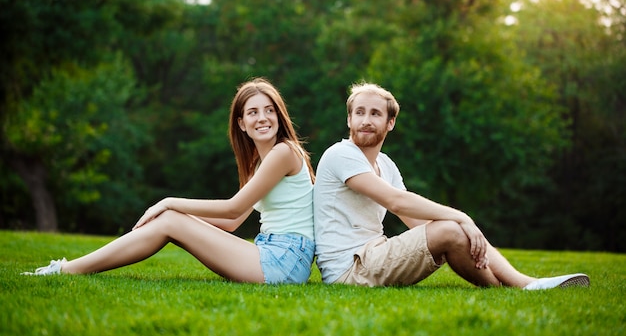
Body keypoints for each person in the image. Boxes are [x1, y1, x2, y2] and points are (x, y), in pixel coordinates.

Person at [23, 78, 316, 284]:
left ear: (280, 115)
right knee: (171, 220)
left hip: (285, 261)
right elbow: (233, 222)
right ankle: (68, 269)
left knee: (170, 219)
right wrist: (176, 216)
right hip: (275, 253)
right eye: (253, 112)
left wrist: (167, 203)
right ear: (241, 123)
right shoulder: (261, 162)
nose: (262, 118)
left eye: (269, 110)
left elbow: (231, 208)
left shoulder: (283, 153)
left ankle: (67, 269)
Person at [313, 81, 589, 290]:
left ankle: (525, 284)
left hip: (374, 254)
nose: (365, 120)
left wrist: (463, 230)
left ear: (390, 123)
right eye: (359, 113)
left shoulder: (386, 164)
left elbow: (415, 221)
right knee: (451, 226)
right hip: (349, 270)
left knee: (451, 229)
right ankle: (517, 288)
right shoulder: (341, 154)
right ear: (349, 119)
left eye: (375, 114)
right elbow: (396, 202)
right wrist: (460, 217)